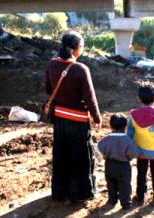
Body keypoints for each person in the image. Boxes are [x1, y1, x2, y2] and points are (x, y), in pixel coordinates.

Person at [45, 31, 102, 203]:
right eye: (82, 46)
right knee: (80, 157)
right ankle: (81, 193)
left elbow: (48, 90)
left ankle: (61, 193)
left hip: (59, 119)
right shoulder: (81, 69)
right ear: (76, 49)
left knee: (61, 155)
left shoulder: (51, 64)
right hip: (78, 121)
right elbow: (90, 98)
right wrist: (97, 118)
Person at [127, 84, 154, 207]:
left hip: (140, 151)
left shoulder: (133, 115)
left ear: (139, 98)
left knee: (141, 173)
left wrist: (132, 149)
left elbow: (129, 134)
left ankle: (140, 197)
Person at [98, 113, 139, 210]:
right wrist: (128, 158)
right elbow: (134, 153)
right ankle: (126, 204)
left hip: (109, 165)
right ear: (125, 126)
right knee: (125, 185)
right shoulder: (128, 140)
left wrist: (105, 155)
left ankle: (112, 201)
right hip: (124, 166)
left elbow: (99, 149)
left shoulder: (105, 140)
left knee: (111, 184)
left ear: (110, 126)